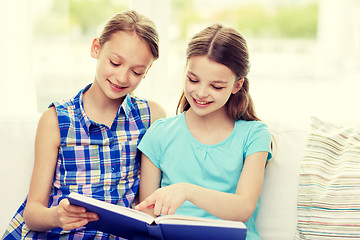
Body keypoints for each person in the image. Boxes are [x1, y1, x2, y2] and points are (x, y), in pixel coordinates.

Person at [3, 10, 165, 240]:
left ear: (147, 71)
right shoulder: (56, 119)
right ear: (95, 48)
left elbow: (148, 207)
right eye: (115, 62)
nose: (121, 77)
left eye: (136, 71)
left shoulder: (151, 116)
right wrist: (56, 216)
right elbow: (32, 213)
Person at [135, 24, 272, 240]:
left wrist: (187, 191)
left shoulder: (254, 134)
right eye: (193, 79)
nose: (200, 93)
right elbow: (149, 214)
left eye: (216, 86)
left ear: (237, 85)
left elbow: (243, 208)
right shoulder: (160, 133)